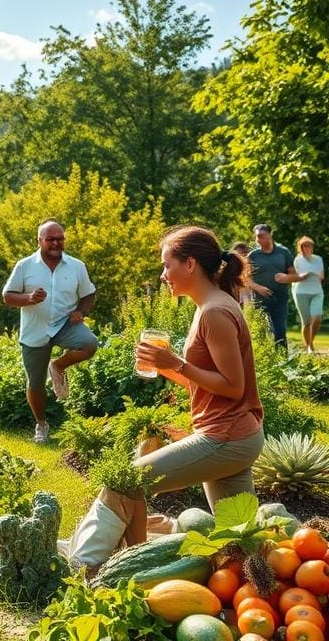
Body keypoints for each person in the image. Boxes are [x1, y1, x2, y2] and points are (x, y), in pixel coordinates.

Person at [68, 227, 264, 569]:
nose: (162, 276)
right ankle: (268, 592)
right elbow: (208, 384)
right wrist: (167, 367)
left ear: (189, 264)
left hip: (226, 437)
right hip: (235, 435)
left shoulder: (215, 312)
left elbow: (234, 386)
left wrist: (178, 363)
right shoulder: (210, 305)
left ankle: (120, 566)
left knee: (126, 481)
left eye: (166, 265)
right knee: (239, 545)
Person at [1, 220, 97, 443]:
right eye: (50, 239)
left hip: (65, 324)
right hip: (35, 331)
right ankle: (41, 424)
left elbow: (89, 294)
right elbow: (7, 296)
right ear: (39, 241)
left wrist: (81, 312)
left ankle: (58, 365)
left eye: (60, 238)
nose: (56, 242)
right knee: (35, 385)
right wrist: (29, 298)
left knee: (89, 344)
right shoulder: (24, 266)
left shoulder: (76, 266)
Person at [246, 224, 297, 348]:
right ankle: (265, 362)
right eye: (257, 237)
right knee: (263, 332)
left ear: (270, 235)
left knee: (280, 331)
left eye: (261, 236)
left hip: (280, 299)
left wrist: (285, 278)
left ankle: (283, 361)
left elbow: (294, 276)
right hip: (259, 299)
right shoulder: (253, 255)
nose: (258, 239)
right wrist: (259, 288)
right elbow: (245, 279)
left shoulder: (283, 253)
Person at [291, 236, 324, 354]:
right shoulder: (297, 260)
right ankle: (308, 347)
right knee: (306, 322)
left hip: (317, 291)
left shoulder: (318, 259)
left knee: (317, 318)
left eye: (309, 245)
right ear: (300, 247)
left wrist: (320, 276)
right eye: (305, 245)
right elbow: (296, 276)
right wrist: (303, 276)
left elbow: (321, 275)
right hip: (301, 292)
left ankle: (311, 342)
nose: (308, 247)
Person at [230, 242, 253, 307]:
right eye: (238, 254)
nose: (241, 256)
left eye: (243, 253)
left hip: (249, 298)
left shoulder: (252, 268)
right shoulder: (230, 270)